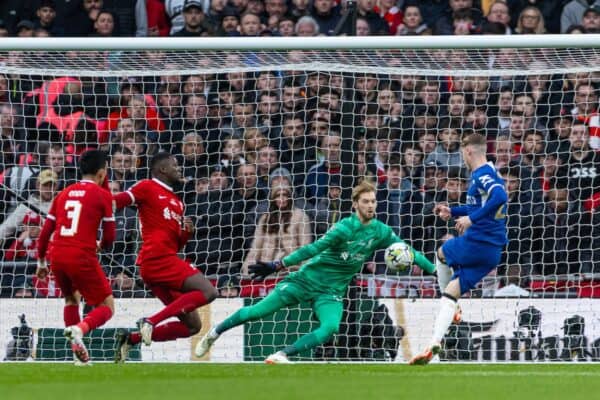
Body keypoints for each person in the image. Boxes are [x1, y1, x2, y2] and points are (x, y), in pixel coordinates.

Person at [195, 180, 436, 363]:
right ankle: (215, 332)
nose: (371, 205)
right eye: (366, 201)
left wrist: (434, 270)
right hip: (305, 280)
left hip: (330, 291)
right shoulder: (344, 228)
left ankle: (282, 355)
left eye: (373, 201)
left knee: (330, 327)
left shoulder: (381, 231)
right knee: (258, 311)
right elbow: (312, 248)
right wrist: (277, 265)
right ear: (355, 204)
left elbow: (409, 251)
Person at [409, 133, 508, 365]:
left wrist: (471, 220)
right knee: (451, 293)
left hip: (478, 242)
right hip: (491, 253)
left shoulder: (482, 173)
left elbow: (500, 196)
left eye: (463, 152)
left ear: (469, 152)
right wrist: (452, 212)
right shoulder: (488, 173)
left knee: (442, 252)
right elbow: (479, 204)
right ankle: (434, 344)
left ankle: (451, 310)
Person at [112, 152, 218, 362]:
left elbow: (175, 243)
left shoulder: (177, 203)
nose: (179, 168)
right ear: (162, 169)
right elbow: (120, 200)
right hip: (156, 259)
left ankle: (130, 339)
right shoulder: (147, 187)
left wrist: (186, 233)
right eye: (175, 165)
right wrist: (93, 204)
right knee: (209, 291)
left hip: (164, 262)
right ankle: (150, 321)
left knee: (193, 326)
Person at [35, 150, 117, 365]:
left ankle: (77, 354)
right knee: (107, 307)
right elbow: (110, 237)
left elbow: (45, 232)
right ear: (102, 173)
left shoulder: (63, 193)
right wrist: (100, 245)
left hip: (57, 254)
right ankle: (79, 330)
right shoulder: (103, 196)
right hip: (81, 255)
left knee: (71, 298)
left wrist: (41, 261)